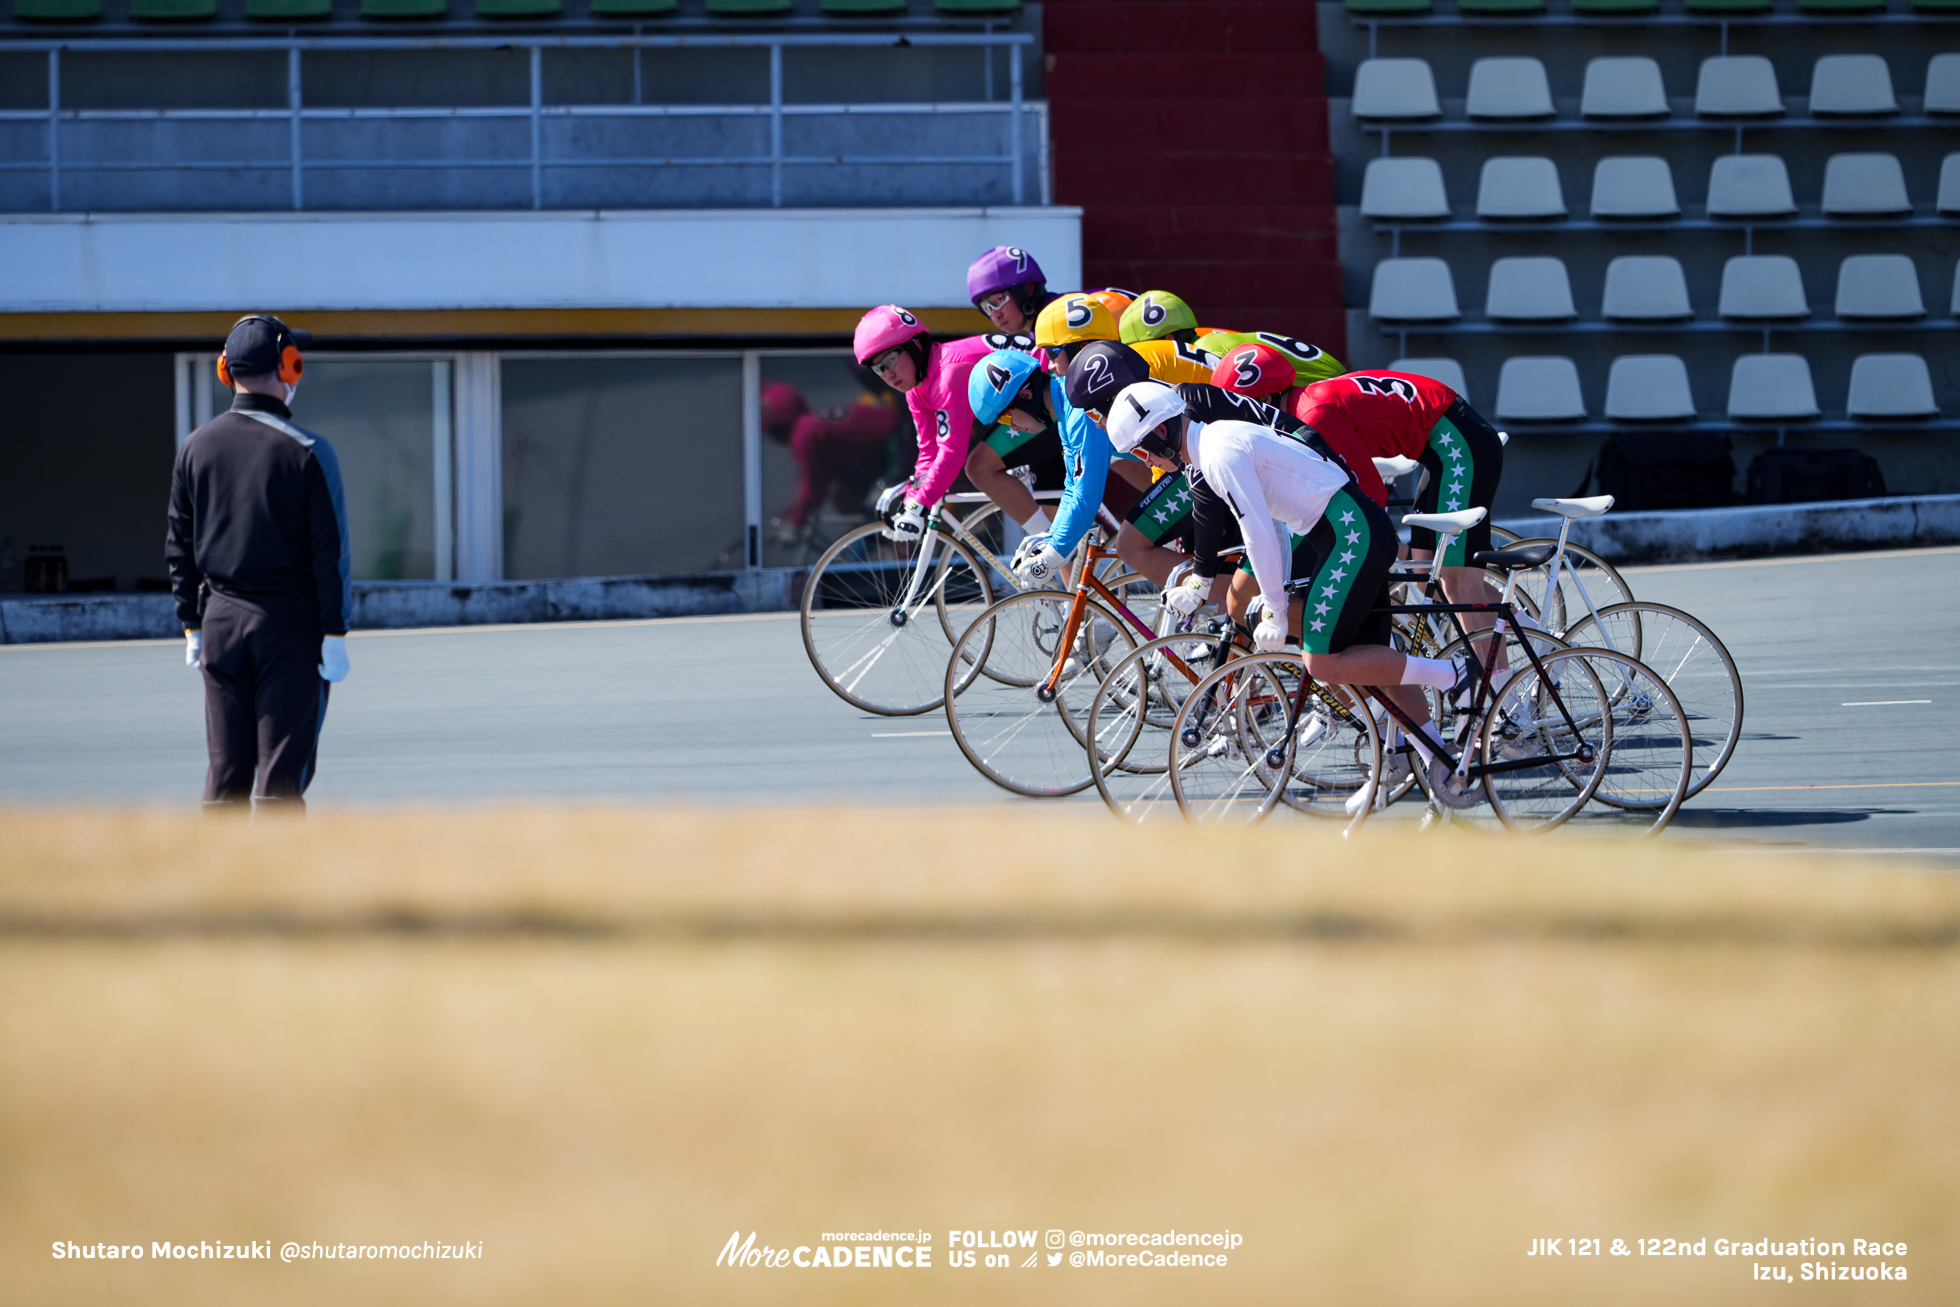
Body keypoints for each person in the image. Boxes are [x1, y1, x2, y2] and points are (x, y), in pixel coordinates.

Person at [1104, 380, 1479, 808]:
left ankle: (1455, 676)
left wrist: (1277, 613)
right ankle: (1441, 761)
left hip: (1349, 533)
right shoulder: (1209, 446)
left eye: (1138, 450)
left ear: (1160, 435)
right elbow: (1270, 537)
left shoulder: (1219, 455)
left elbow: (1260, 536)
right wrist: (1220, 587)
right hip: (1345, 529)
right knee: (1376, 660)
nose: (1142, 461)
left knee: (1323, 662)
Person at [165, 314, 351, 811]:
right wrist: (334, 631)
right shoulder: (309, 452)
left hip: (219, 622)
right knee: (280, 776)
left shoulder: (195, 448)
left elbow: (178, 544)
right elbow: (330, 554)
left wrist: (191, 624)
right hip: (289, 627)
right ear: (289, 365)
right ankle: (277, 883)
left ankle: (216, 881)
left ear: (226, 370)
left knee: (225, 774)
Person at [1215, 358, 1506, 628]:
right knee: (1426, 575)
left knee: (1456, 582)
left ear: (1265, 401)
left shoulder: (1313, 416)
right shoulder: (1303, 404)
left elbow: (1370, 494)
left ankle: (1496, 678)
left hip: (1458, 444)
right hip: (1439, 443)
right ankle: (1521, 627)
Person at [966, 344, 1153, 588]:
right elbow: (1072, 488)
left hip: (1194, 466)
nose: (1009, 427)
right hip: (1188, 464)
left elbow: (1086, 497)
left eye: (1005, 417)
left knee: (1130, 545)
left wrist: (1052, 557)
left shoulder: (1079, 410)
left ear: (1025, 395)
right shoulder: (1067, 408)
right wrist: (1050, 539)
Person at [764, 374, 903, 534]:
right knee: (844, 499)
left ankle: (897, 546)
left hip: (896, 442)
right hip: (882, 448)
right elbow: (820, 479)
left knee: (886, 503)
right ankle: (876, 539)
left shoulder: (803, 435)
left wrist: (795, 523)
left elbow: (812, 482)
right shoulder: (809, 424)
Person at [1194, 328, 1345, 388]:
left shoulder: (1206, 350)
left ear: (1170, 336)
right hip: (1333, 371)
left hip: (1326, 384)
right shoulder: (1210, 337)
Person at [966, 246, 1057, 336]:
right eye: (987, 307)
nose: (995, 316)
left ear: (1028, 289)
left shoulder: (1063, 317)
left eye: (998, 300)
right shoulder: (1040, 332)